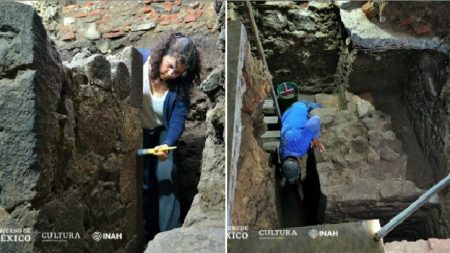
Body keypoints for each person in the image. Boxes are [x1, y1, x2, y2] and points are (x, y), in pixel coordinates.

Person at [140, 32, 201, 241]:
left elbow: (177, 121)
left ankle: (169, 235)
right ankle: (148, 233)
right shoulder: (137, 62)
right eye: (171, 66)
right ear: (162, 52)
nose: (172, 74)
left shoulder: (180, 86)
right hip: (138, 131)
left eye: (179, 72)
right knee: (144, 182)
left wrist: (167, 144)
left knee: (166, 176)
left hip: (163, 132)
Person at [279, 101, 325, 189]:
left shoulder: (301, 147)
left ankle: (314, 105)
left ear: (300, 164)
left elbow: (316, 119)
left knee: (321, 107)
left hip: (299, 107)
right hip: (286, 115)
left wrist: (315, 138)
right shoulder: (282, 151)